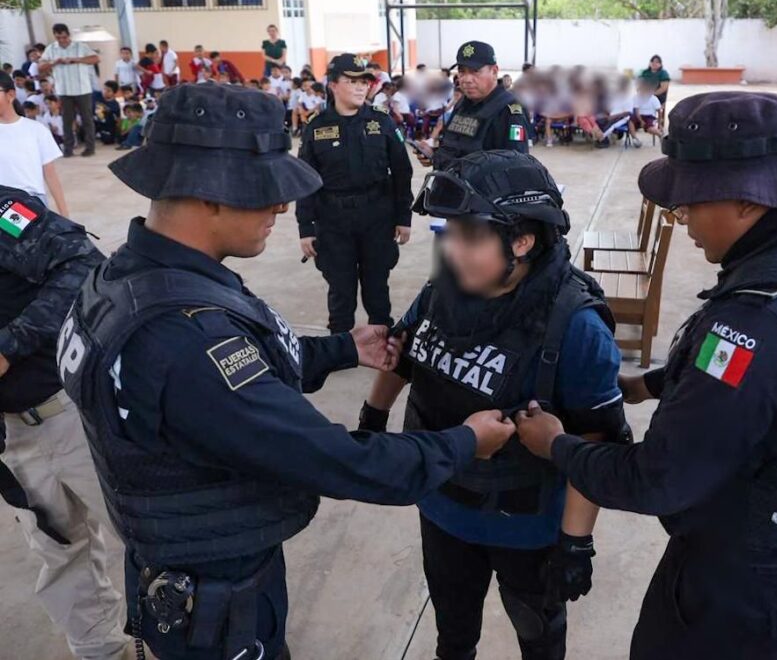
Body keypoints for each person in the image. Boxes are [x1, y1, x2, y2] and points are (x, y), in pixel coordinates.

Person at [57, 82, 516, 660]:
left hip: (186, 557)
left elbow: (233, 385)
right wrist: (465, 442)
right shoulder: (182, 340)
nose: (280, 207)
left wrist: (342, 349)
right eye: (265, 191)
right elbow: (342, 460)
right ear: (208, 195)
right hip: (215, 599)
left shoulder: (123, 280)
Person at [514, 92, 777, 660]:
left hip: (747, 586)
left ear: (748, 200)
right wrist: (654, 383)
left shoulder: (760, 323)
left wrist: (556, 446)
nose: (680, 218)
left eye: (689, 202)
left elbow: (657, 480)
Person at [364, 150, 631, 660]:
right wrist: (371, 422)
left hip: (525, 528)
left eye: (470, 237)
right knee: (453, 637)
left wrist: (576, 542)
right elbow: (403, 355)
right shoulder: (443, 291)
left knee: (538, 639)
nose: (451, 250)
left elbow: (597, 439)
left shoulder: (576, 325)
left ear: (522, 241)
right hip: (441, 507)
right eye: (448, 233)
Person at [1, 185, 134, 660]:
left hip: (74, 413)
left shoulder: (5, 212)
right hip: (12, 441)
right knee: (59, 551)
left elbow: (84, 267)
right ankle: (101, 651)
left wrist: (8, 345)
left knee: (151, 534)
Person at [296, 54, 413, 334]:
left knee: (377, 285)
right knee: (340, 288)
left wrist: (403, 217)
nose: (361, 88)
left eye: (364, 82)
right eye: (352, 81)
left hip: (377, 216)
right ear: (333, 85)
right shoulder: (316, 126)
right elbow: (305, 179)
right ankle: (339, 343)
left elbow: (402, 171)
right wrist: (305, 227)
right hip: (333, 220)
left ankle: (381, 339)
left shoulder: (382, 122)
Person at [414, 41, 531, 170]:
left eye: (475, 71)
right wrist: (434, 154)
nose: (466, 79)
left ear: (494, 71)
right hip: (449, 180)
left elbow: (516, 164)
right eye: (462, 72)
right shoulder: (462, 104)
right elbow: (454, 147)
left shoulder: (509, 109)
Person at [0, 72, 70, 216]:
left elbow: (50, 175)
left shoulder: (36, 130)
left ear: (10, 95)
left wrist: (65, 215)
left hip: (32, 205)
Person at [38, 23, 99, 157]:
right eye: (58, 38)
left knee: (87, 120)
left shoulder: (80, 46)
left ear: (68, 35)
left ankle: (90, 147)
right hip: (64, 90)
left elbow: (95, 58)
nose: (62, 40)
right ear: (55, 36)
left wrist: (76, 60)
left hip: (82, 89)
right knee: (67, 120)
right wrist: (55, 62)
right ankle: (68, 149)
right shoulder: (51, 48)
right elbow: (41, 66)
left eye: (64, 37)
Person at [95, 80, 121, 145]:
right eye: (104, 89)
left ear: (114, 93)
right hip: (95, 122)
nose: (105, 92)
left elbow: (118, 119)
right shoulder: (97, 96)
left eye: (108, 91)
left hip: (106, 126)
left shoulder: (115, 105)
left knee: (108, 140)